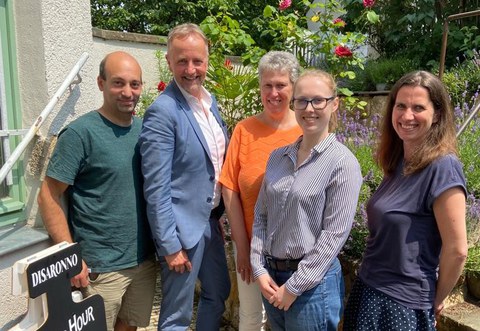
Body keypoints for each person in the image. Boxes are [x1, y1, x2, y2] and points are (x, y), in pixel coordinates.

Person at [37, 51, 157, 331]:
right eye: (118, 83)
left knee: (129, 327)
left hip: (142, 261)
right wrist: (71, 257)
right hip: (100, 267)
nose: (128, 92)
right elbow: (49, 194)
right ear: (101, 83)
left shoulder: (145, 131)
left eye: (135, 84)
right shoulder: (81, 134)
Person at [343, 70, 468, 331]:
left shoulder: (443, 167)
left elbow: (457, 250)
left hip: (403, 304)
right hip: (368, 291)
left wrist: (437, 298)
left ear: (437, 115)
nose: (407, 115)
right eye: (401, 106)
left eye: (418, 107)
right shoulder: (399, 160)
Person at [250, 69, 363, 330]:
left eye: (318, 100)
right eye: (301, 100)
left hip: (313, 287)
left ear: (334, 104)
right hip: (272, 279)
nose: (309, 108)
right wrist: (258, 268)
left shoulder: (342, 163)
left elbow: (334, 235)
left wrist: (293, 287)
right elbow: (261, 216)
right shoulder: (277, 157)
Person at [139, 23, 231, 330]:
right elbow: (156, 187)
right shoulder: (162, 112)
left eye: (197, 61)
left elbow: (212, 164)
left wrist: (218, 212)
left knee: (218, 293)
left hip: (208, 222)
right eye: (182, 61)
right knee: (176, 316)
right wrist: (170, 245)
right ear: (169, 62)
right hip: (180, 231)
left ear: (207, 61)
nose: (190, 70)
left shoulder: (210, 102)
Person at [219, 50, 302, 331]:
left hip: (294, 250)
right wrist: (242, 247)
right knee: (252, 318)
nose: (274, 92)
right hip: (251, 243)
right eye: (268, 85)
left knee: (288, 320)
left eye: (281, 85)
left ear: (293, 87)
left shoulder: (307, 131)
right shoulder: (245, 130)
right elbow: (230, 189)